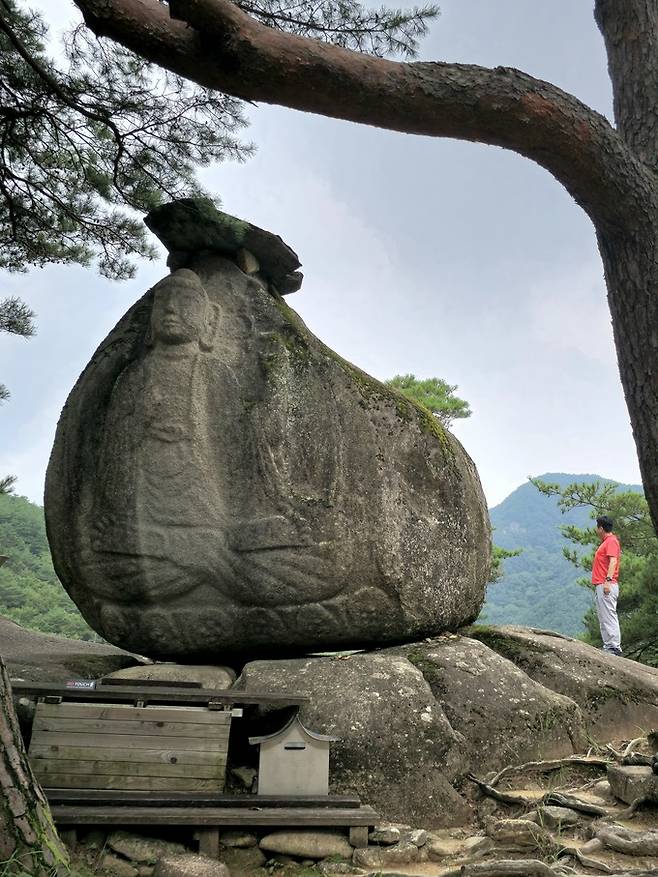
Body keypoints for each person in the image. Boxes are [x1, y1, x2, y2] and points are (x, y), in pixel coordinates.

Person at [591, 515, 622, 656]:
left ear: (601, 528)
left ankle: (614, 646)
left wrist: (607, 581)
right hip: (602, 584)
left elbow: (613, 561)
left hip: (606, 584)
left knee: (608, 615)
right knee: (603, 616)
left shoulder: (611, 541)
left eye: (597, 527)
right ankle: (608, 645)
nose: (597, 530)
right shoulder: (607, 542)